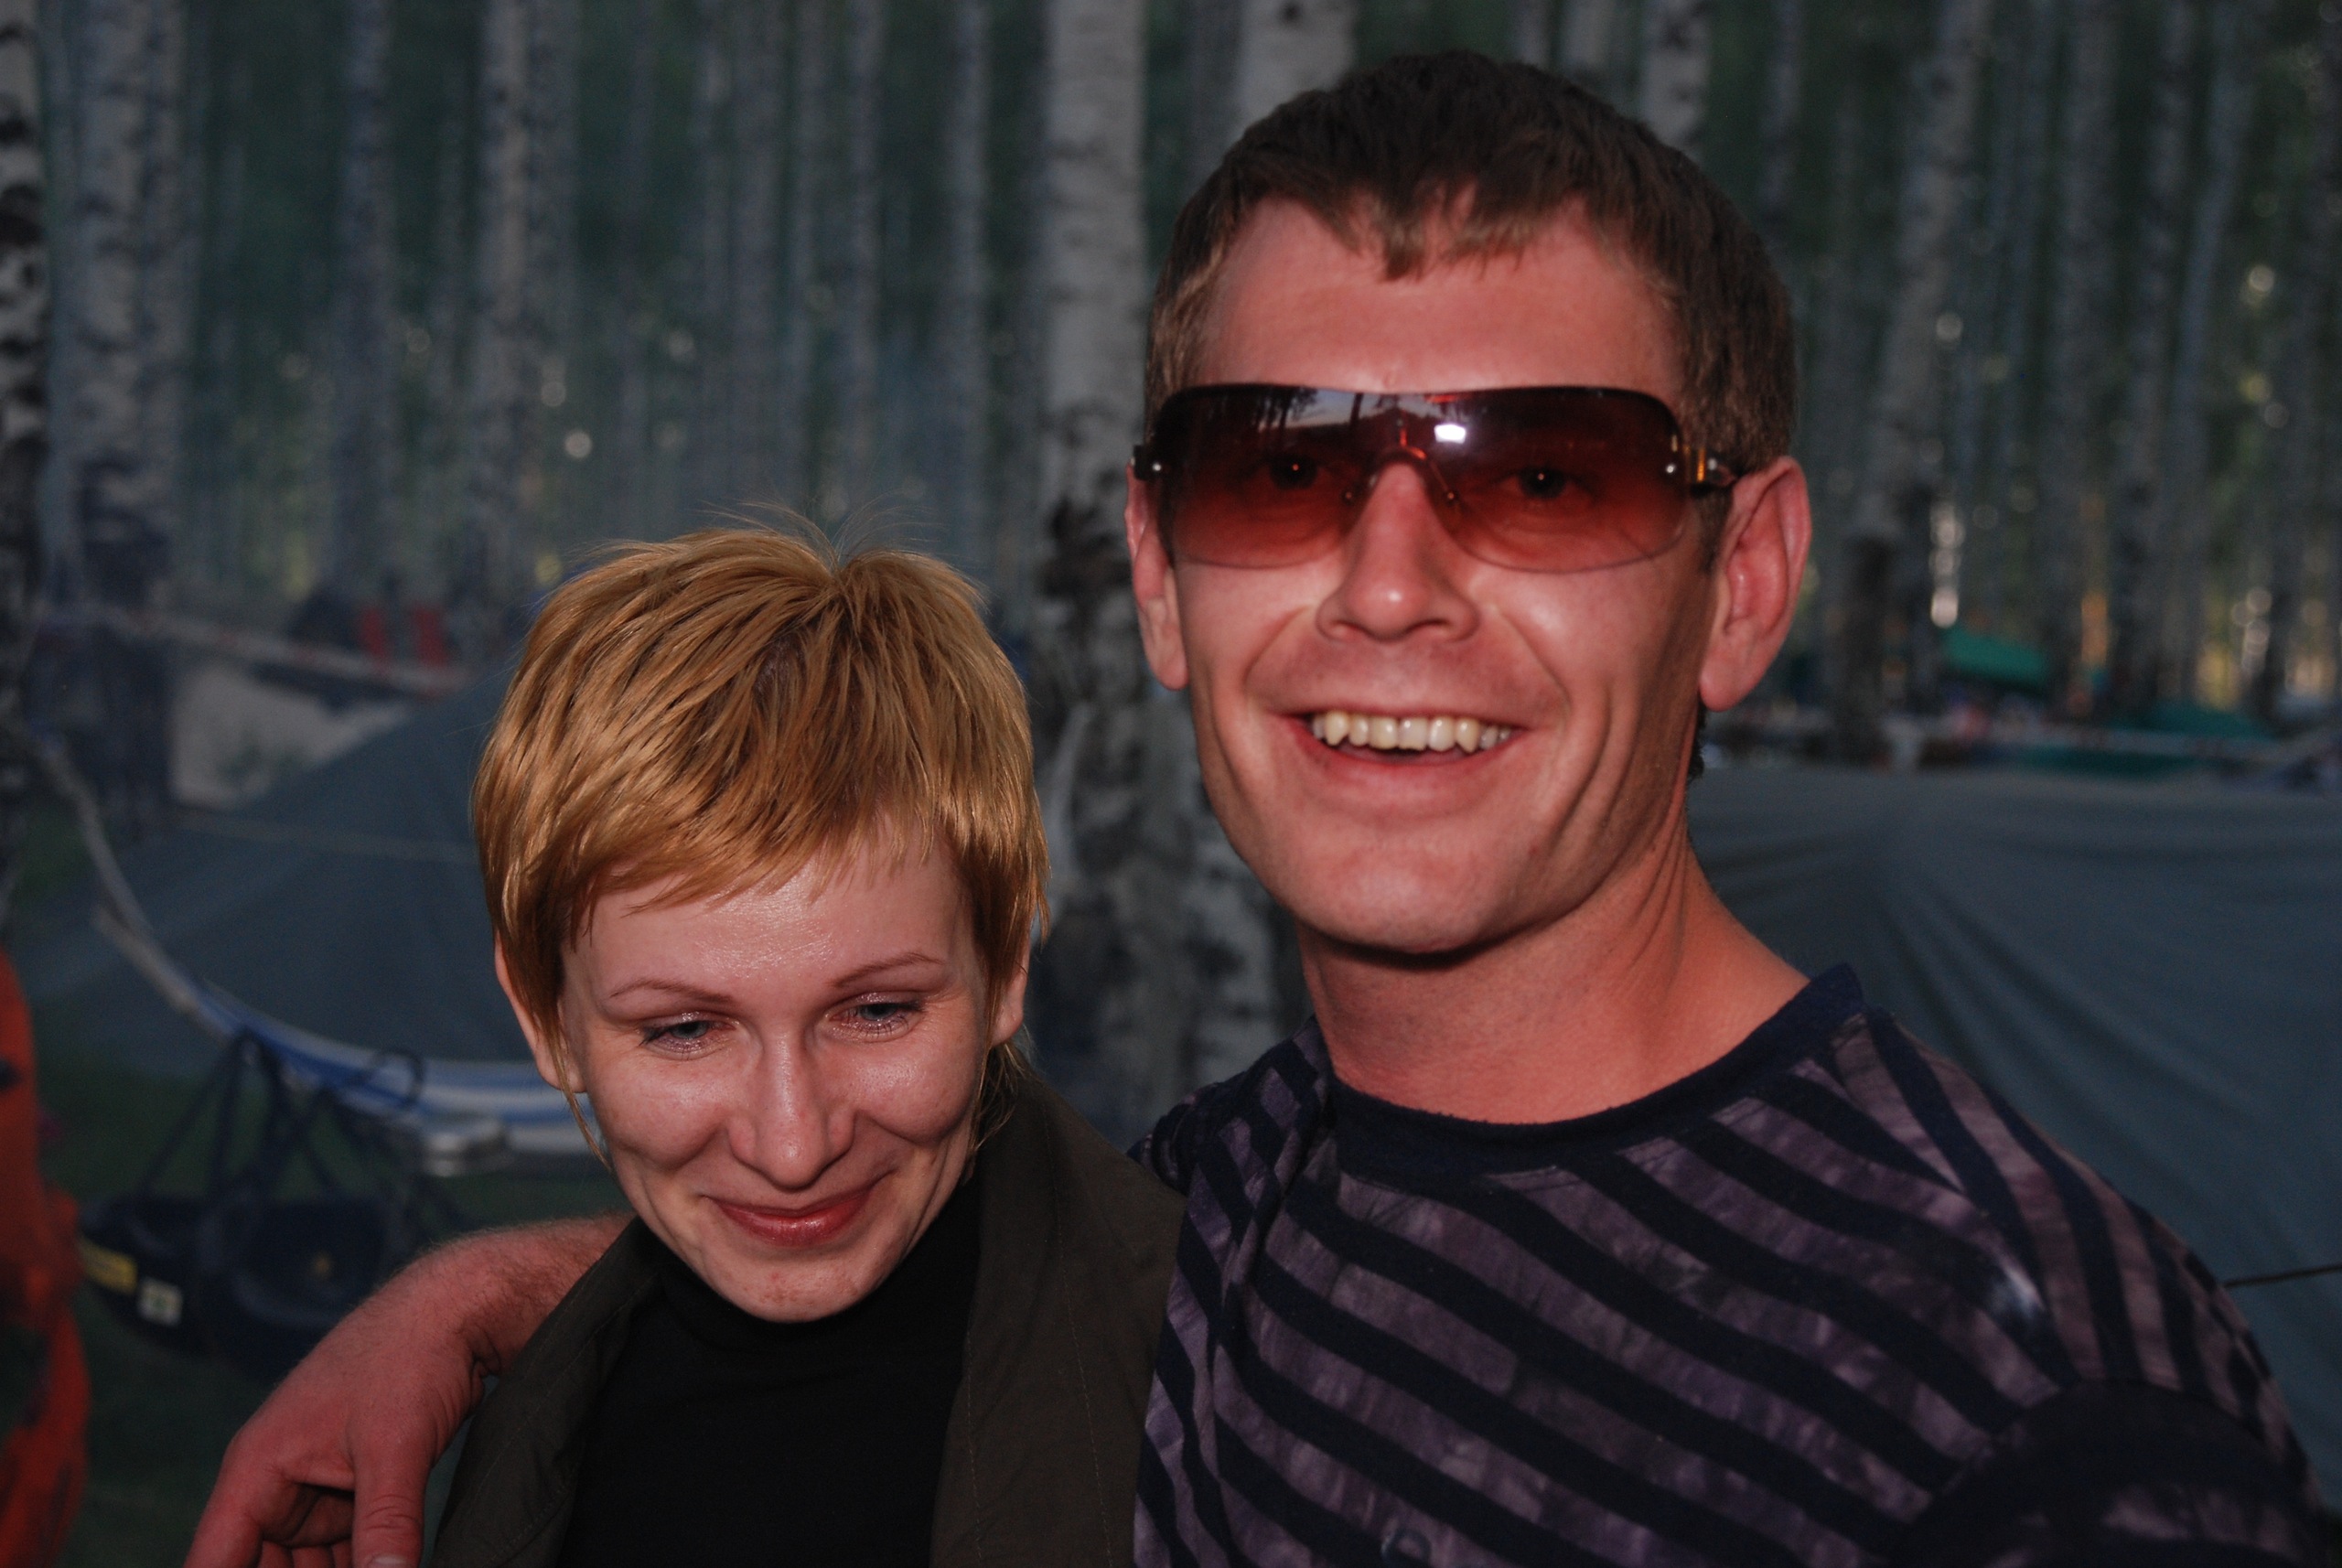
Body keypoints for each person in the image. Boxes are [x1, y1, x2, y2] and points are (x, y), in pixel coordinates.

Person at [188, 53, 2322, 1568]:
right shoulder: (1232, 1197)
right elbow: (877, 1227)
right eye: (1279, 469)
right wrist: (476, 1299)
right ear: (1155, 580)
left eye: (1543, 470)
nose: (1386, 583)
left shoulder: (2028, 1387)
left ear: (1740, 585)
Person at [415, 529, 1177, 1567]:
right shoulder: (542, 1415)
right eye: (685, 1030)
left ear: (1007, 966)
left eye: (877, 1012)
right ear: (547, 1017)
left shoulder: (1225, 1408)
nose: (792, 1146)